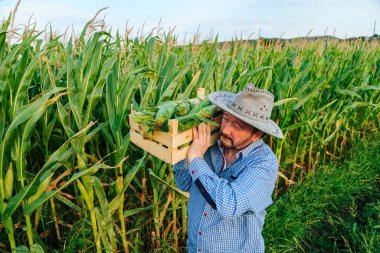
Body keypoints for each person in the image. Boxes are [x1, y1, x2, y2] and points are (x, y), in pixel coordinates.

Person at [173, 83, 284, 253]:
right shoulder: (210, 144)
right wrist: (179, 147)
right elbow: (185, 182)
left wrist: (195, 157)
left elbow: (229, 205)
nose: (225, 129)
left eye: (237, 127)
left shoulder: (263, 164)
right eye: (225, 118)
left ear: (257, 134)